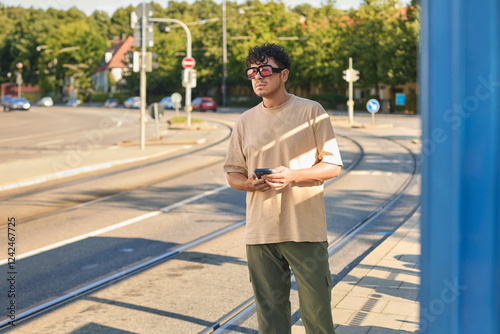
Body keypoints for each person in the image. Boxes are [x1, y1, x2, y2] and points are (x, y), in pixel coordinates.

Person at [223, 43, 343, 334]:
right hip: (260, 232)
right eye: (252, 71)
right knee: (270, 318)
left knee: (317, 315)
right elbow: (233, 174)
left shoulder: (311, 111)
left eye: (265, 70)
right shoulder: (244, 121)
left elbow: (332, 166)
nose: (257, 77)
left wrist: (293, 176)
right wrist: (249, 184)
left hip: (304, 229)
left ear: (284, 74)